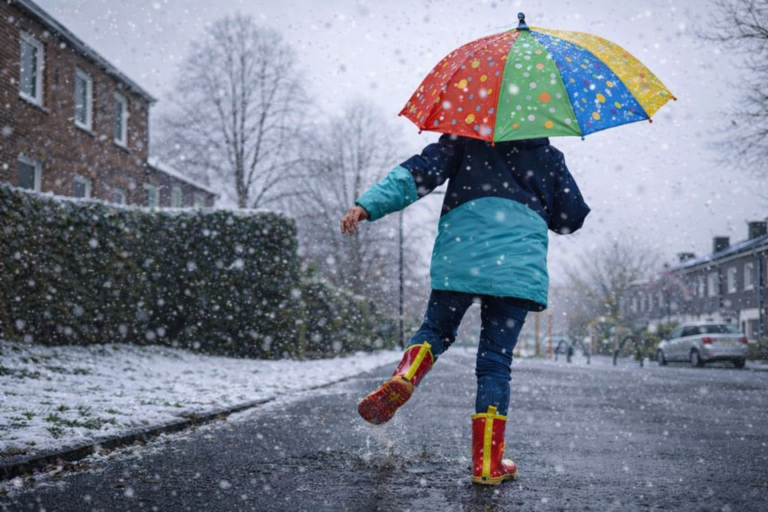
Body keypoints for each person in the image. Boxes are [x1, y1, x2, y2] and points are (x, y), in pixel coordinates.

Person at [340, 134, 590, 485]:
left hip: (461, 256)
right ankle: (487, 464)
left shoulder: (462, 139)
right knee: (494, 361)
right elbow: (570, 218)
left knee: (436, 330)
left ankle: (406, 376)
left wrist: (369, 204)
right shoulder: (548, 156)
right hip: (515, 270)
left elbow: (419, 173)